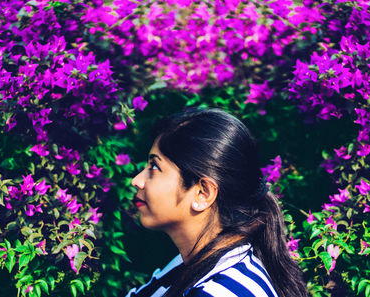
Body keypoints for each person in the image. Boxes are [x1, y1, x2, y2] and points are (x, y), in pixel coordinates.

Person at [125, 108, 308, 297]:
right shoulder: (190, 264)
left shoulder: (222, 290)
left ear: (203, 193)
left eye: (155, 167)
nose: (137, 180)